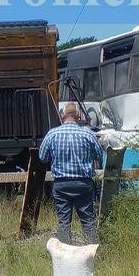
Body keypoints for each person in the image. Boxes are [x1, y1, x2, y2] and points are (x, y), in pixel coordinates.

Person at [38, 102, 104, 244]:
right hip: (83, 183)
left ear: (62, 115)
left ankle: (64, 256)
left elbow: (42, 157)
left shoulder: (52, 134)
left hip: (62, 184)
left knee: (63, 222)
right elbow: (99, 155)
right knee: (88, 221)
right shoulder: (88, 133)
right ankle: (93, 254)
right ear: (78, 116)